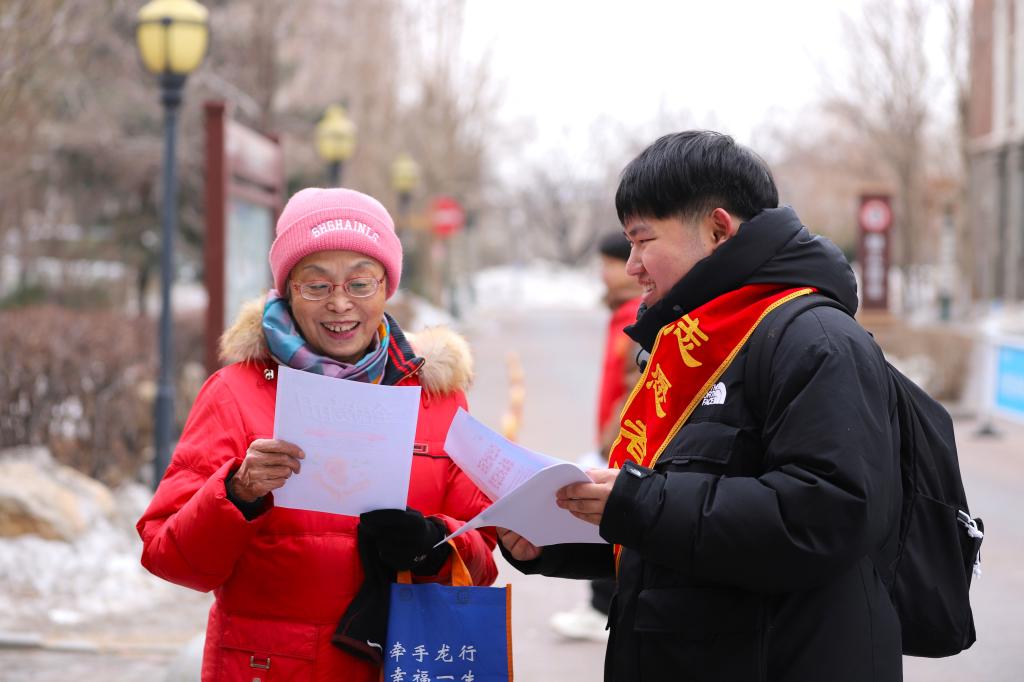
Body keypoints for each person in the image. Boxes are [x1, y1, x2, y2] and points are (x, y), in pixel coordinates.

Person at [499, 131, 902, 681]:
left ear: (717, 230)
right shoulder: (689, 342)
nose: (632, 266)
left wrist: (638, 502)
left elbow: (826, 516)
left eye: (643, 240)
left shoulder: (815, 339)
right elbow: (675, 528)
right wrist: (551, 536)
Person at [137, 187, 497, 681]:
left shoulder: (436, 396)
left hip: (402, 662)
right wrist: (236, 493)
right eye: (317, 285)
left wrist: (431, 545)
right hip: (269, 667)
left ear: (387, 287)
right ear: (288, 289)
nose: (340, 303)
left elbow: (481, 556)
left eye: (361, 283)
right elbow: (171, 559)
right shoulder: (235, 392)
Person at [549, 231, 641, 641]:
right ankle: (601, 605)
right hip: (613, 437)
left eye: (608, 264)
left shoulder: (640, 315)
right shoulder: (621, 312)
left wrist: (611, 441)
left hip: (625, 441)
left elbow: (635, 387)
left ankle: (602, 607)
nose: (603, 274)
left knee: (610, 519)